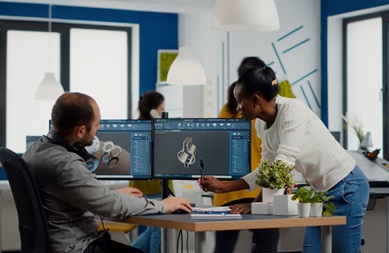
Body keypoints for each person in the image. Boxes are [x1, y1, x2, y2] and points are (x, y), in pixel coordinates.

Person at [200, 66, 370, 253]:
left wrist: (254, 204)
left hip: (347, 187)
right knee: (310, 249)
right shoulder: (261, 126)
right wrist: (224, 187)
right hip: (319, 194)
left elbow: (283, 165)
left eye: (240, 102)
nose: (238, 108)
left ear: (255, 100)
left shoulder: (292, 110)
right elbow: (266, 170)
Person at [23, 92, 192, 253]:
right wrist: (163, 205)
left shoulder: (35, 151)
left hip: (55, 243)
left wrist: (111, 193)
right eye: (97, 124)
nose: (99, 128)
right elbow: (113, 206)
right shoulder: (66, 164)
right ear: (80, 131)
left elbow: (72, 191)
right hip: (77, 246)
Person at [214, 57, 279, 253]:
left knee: (223, 248)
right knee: (266, 248)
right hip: (257, 189)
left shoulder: (227, 109)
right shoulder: (263, 112)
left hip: (234, 188)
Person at [130, 90, 173, 253]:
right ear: (153, 110)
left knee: (151, 230)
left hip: (143, 187)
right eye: (162, 109)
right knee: (157, 230)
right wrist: (162, 124)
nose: (164, 112)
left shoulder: (137, 126)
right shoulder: (155, 129)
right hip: (155, 187)